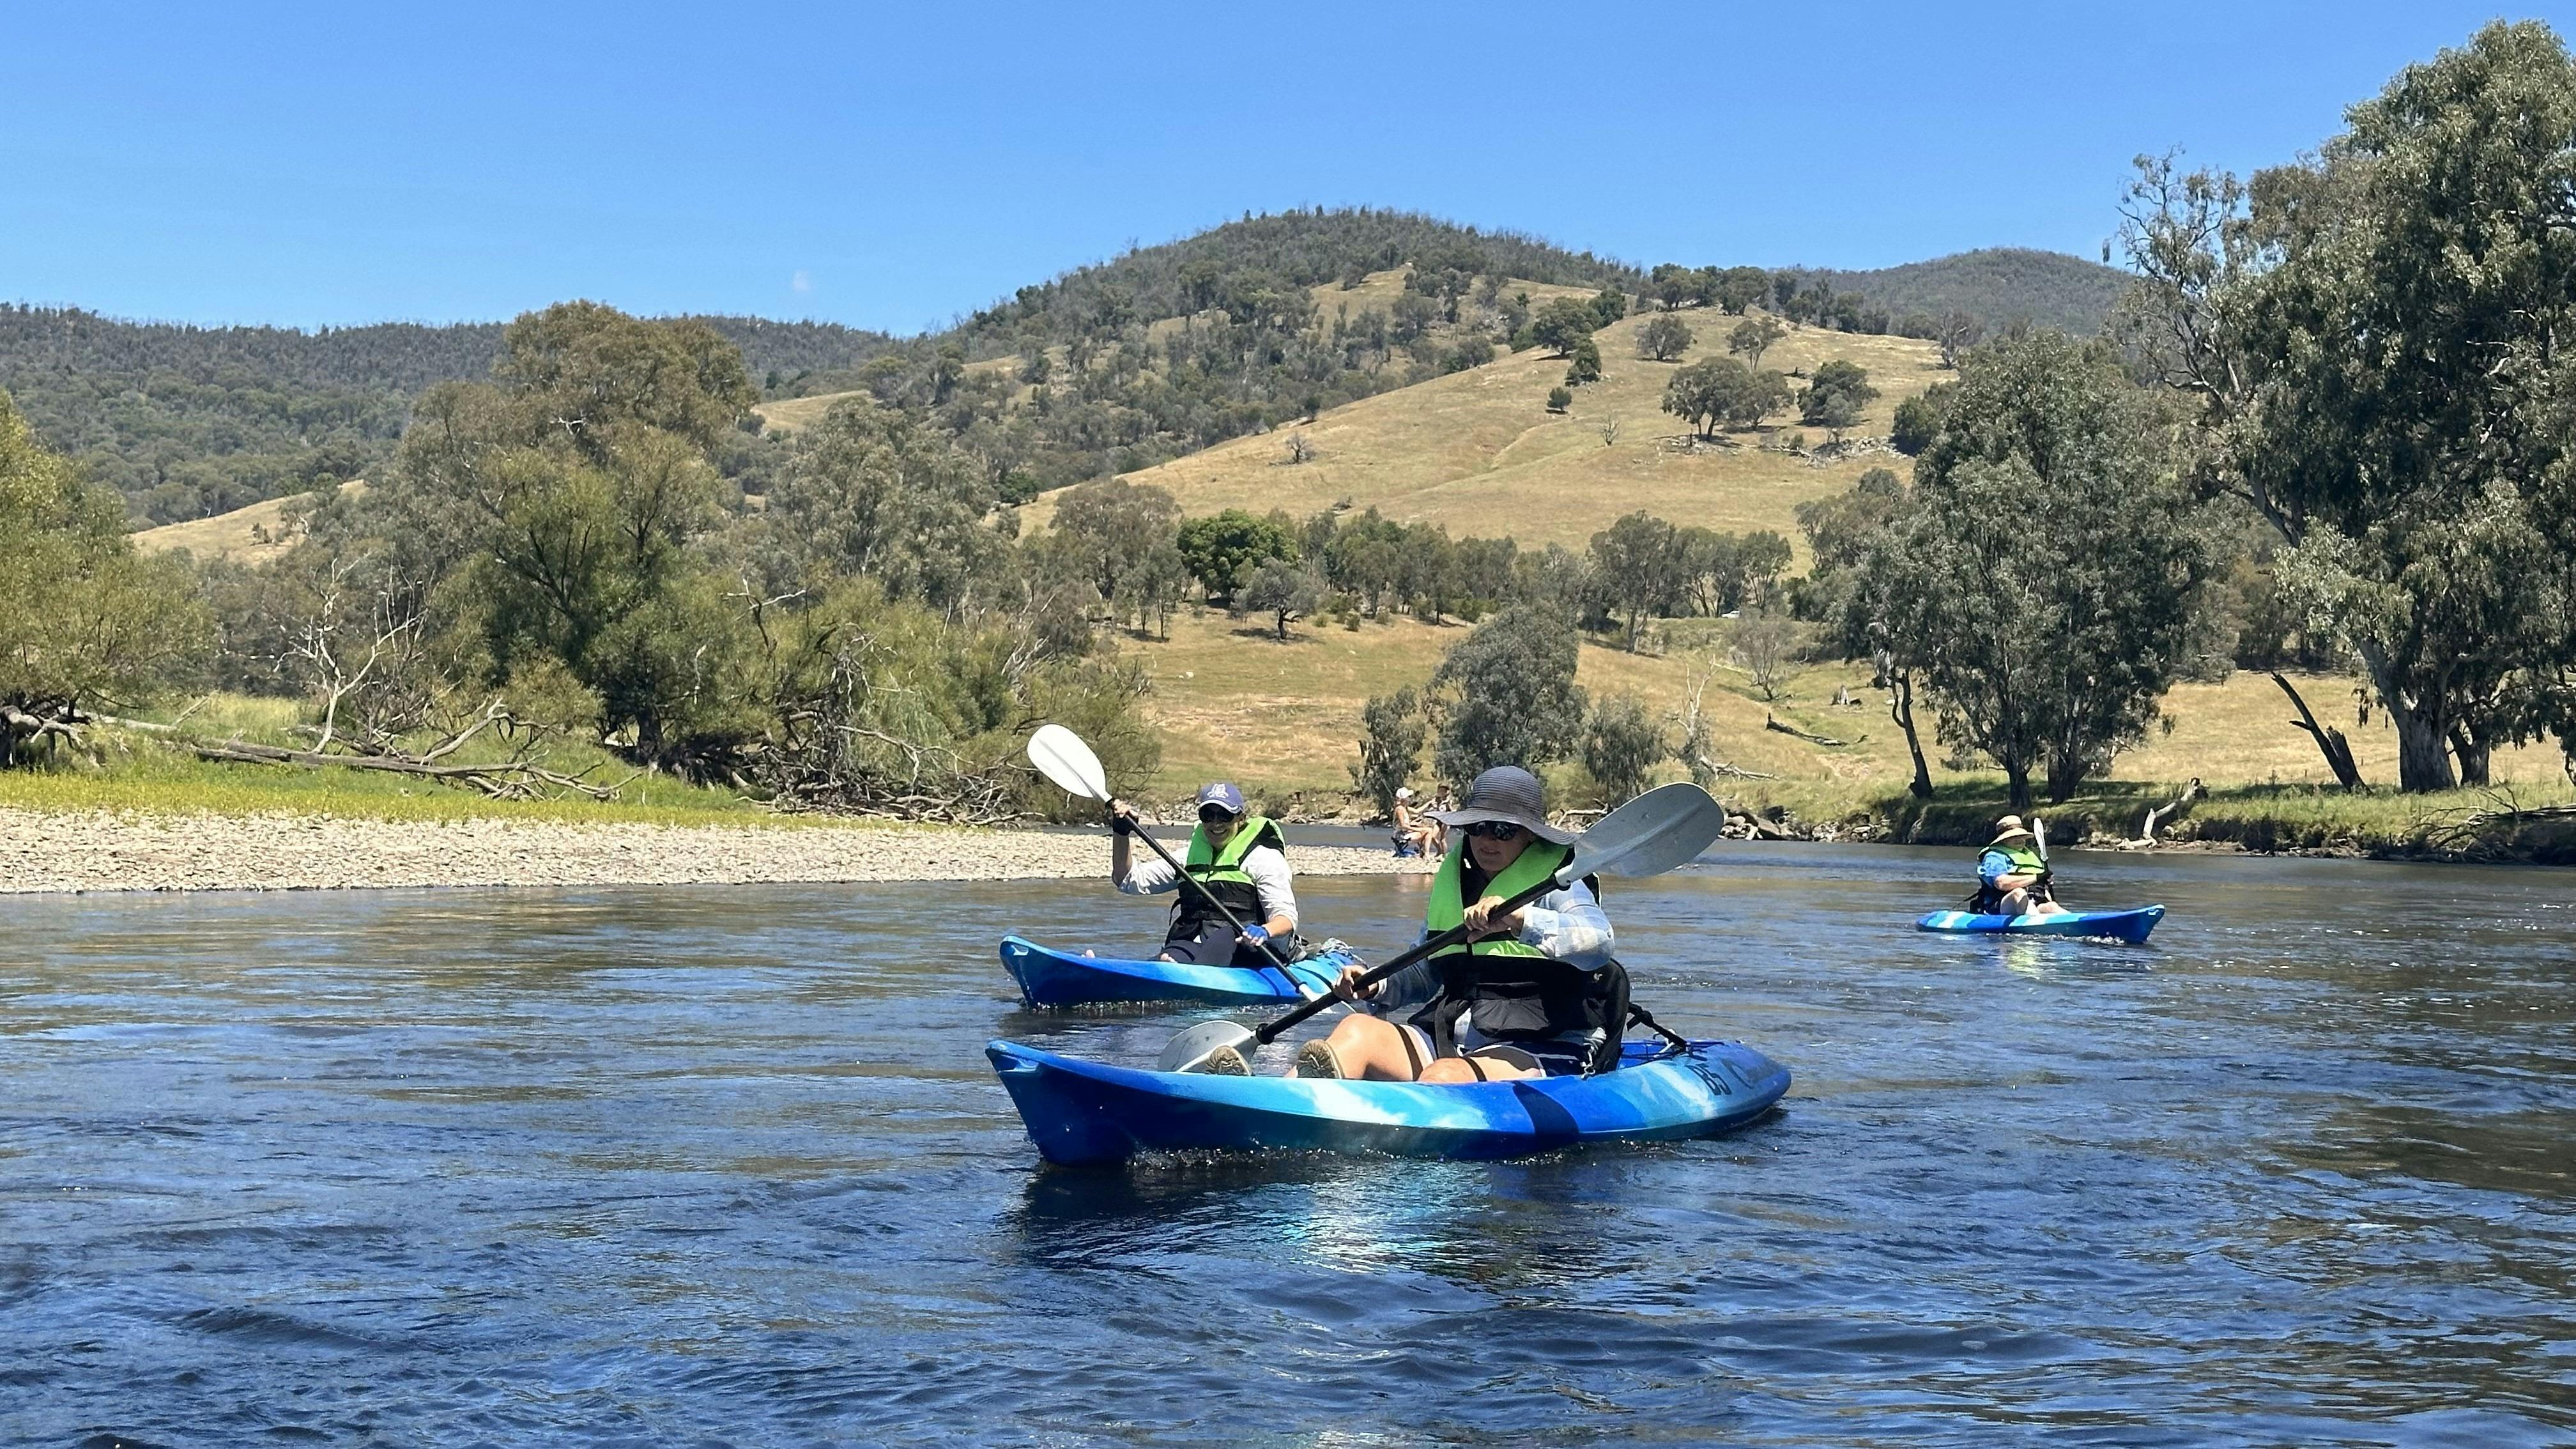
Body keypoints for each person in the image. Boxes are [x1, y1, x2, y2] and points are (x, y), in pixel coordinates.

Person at [1227, 765, 1620, 1083]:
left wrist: (1522, 921)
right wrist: (1379, 984)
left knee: (1445, 1075)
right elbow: (1426, 972)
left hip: (1539, 1043)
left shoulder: (1560, 881)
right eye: (1477, 827)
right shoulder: (1456, 878)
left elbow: (1598, 944)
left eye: (1503, 830)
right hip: (1455, 1034)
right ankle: (1282, 1099)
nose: (1488, 840)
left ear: (1531, 837)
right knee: (1356, 1031)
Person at [1109, 783, 1298, 967]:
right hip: (1198, 946)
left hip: (1249, 947)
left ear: (1241, 819)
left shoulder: (1263, 859)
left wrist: (1265, 931)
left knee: (1225, 935)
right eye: (1208, 815)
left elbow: (1286, 917)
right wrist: (1121, 832)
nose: (1216, 823)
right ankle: (1158, 969)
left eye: (1225, 816)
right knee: (1173, 952)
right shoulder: (1187, 858)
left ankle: (1187, 976)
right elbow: (1128, 880)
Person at [1975, 814, 2063, 917]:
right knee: (2018, 893)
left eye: (2022, 836)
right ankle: (2035, 923)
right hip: (2000, 905)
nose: (2020, 840)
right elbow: (2001, 883)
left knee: (2051, 906)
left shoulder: (2030, 855)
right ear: (2003, 839)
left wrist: (2045, 882)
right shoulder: (1994, 856)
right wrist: (2036, 877)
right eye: (2014, 837)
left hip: (2033, 902)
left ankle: (2075, 923)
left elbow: (2041, 886)